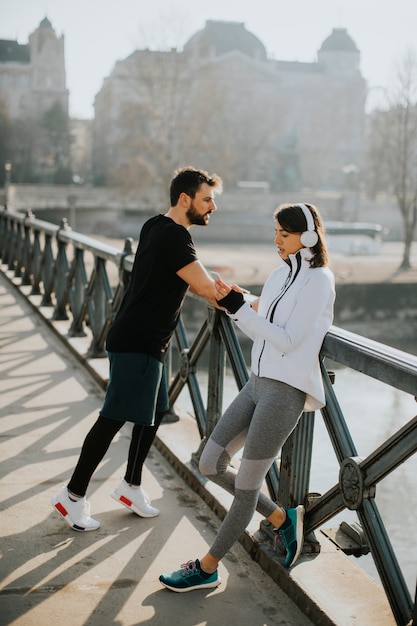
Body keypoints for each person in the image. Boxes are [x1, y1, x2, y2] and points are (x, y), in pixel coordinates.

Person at [159, 202, 335, 592]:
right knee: (210, 463)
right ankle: (282, 520)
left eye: (283, 234)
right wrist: (242, 298)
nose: (276, 240)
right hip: (256, 383)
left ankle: (207, 567)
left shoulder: (320, 281)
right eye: (275, 232)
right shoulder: (278, 274)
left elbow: (289, 340)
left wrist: (239, 311)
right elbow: (267, 311)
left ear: (307, 237)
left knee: (246, 488)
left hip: (284, 394)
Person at [51, 166, 223, 531]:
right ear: (184, 199)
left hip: (145, 339)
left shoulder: (154, 226)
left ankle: (130, 485)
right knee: (113, 417)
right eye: (207, 200)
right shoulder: (176, 237)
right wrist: (245, 302)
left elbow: (185, 277)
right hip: (138, 342)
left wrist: (209, 283)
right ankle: (73, 495)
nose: (212, 207)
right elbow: (206, 288)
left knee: (156, 410)